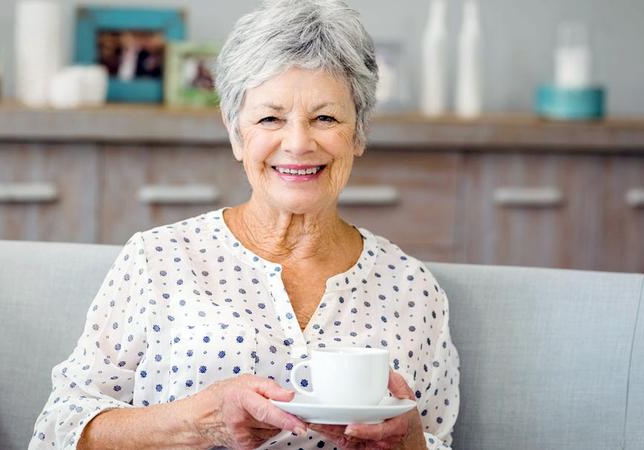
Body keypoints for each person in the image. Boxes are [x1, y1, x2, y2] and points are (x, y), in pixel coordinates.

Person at [30, 0, 459, 448]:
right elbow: (57, 431)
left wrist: (410, 443)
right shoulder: (158, 259)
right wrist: (199, 422)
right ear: (236, 133)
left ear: (359, 133)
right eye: (270, 118)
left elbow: (437, 437)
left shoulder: (414, 290)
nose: (297, 143)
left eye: (325, 118)